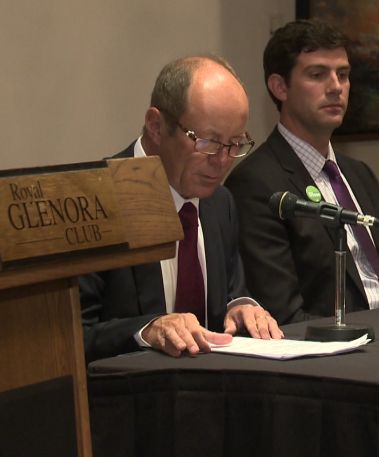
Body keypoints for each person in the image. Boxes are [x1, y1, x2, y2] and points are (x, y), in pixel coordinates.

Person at [80, 55, 283, 362]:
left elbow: (230, 291)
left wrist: (241, 306)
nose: (223, 161)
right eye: (208, 142)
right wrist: (146, 330)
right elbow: (72, 335)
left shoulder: (220, 202)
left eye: (235, 143)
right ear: (156, 127)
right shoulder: (96, 198)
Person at [225, 20, 379, 324]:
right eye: (317, 74)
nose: (336, 86)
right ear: (279, 87)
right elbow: (284, 315)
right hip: (339, 352)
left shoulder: (360, 174)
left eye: (343, 74)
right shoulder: (255, 184)